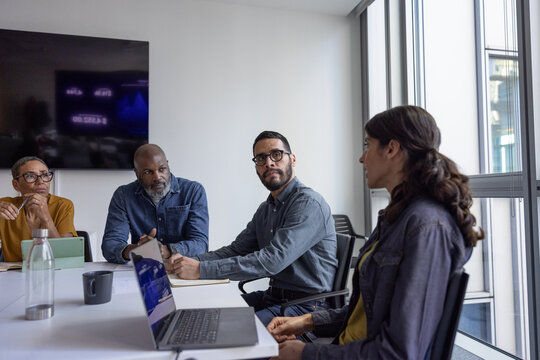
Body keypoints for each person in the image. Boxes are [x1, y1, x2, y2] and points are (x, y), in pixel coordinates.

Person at [266, 106, 485, 360]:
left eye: (368, 145)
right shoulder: (397, 216)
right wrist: (306, 322)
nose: (362, 158)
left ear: (391, 149)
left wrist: (307, 354)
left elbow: (399, 353)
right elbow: (369, 311)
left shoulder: (426, 227)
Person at [167, 131, 338, 326]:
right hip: (273, 297)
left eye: (276, 154)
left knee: (228, 329)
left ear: (292, 159)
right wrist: (187, 262)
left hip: (306, 307)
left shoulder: (308, 203)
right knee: (202, 315)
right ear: (256, 167)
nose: (269, 163)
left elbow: (272, 261)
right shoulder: (266, 209)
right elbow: (236, 250)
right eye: (261, 158)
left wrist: (200, 269)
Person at [101, 144, 209, 264]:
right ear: (137, 173)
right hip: (145, 270)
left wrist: (167, 250)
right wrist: (136, 250)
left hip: (186, 269)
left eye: (162, 169)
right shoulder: (123, 196)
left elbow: (201, 244)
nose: (157, 177)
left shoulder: (193, 191)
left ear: (168, 165)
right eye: (148, 172)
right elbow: (110, 245)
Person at [0, 156, 77, 262]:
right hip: (13, 273)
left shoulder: (63, 205)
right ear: (16, 185)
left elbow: (65, 257)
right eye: (31, 176)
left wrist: (45, 218)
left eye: (45, 175)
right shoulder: (5, 206)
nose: (40, 181)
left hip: (54, 272)